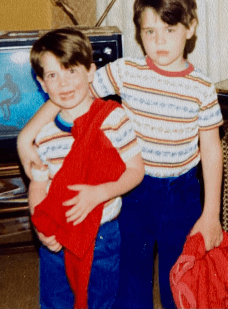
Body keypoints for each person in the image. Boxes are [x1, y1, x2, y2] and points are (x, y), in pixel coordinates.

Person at [18, 0, 224, 309]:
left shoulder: (202, 87)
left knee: (181, 278)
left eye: (170, 30)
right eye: (149, 32)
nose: (159, 41)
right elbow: (72, 93)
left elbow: (211, 149)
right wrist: (26, 136)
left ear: (190, 28)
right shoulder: (126, 71)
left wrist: (211, 212)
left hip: (181, 193)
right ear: (139, 33)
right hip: (132, 190)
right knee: (129, 280)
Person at [26, 28, 144, 309]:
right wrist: (41, 228)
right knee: (56, 302)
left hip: (101, 234)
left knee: (98, 301)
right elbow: (38, 184)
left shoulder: (113, 119)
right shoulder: (43, 132)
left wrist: (100, 193)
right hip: (57, 234)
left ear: (90, 72)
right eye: (52, 75)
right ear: (42, 83)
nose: (64, 83)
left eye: (71, 71)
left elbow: (135, 170)